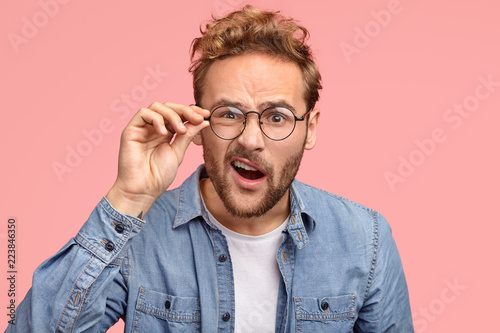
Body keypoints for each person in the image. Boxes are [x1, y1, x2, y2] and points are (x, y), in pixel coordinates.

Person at [7, 5, 413, 333]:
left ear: (310, 130)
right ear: (198, 125)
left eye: (277, 117)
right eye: (229, 113)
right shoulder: (138, 234)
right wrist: (128, 199)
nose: (251, 139)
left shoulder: (367, 240)